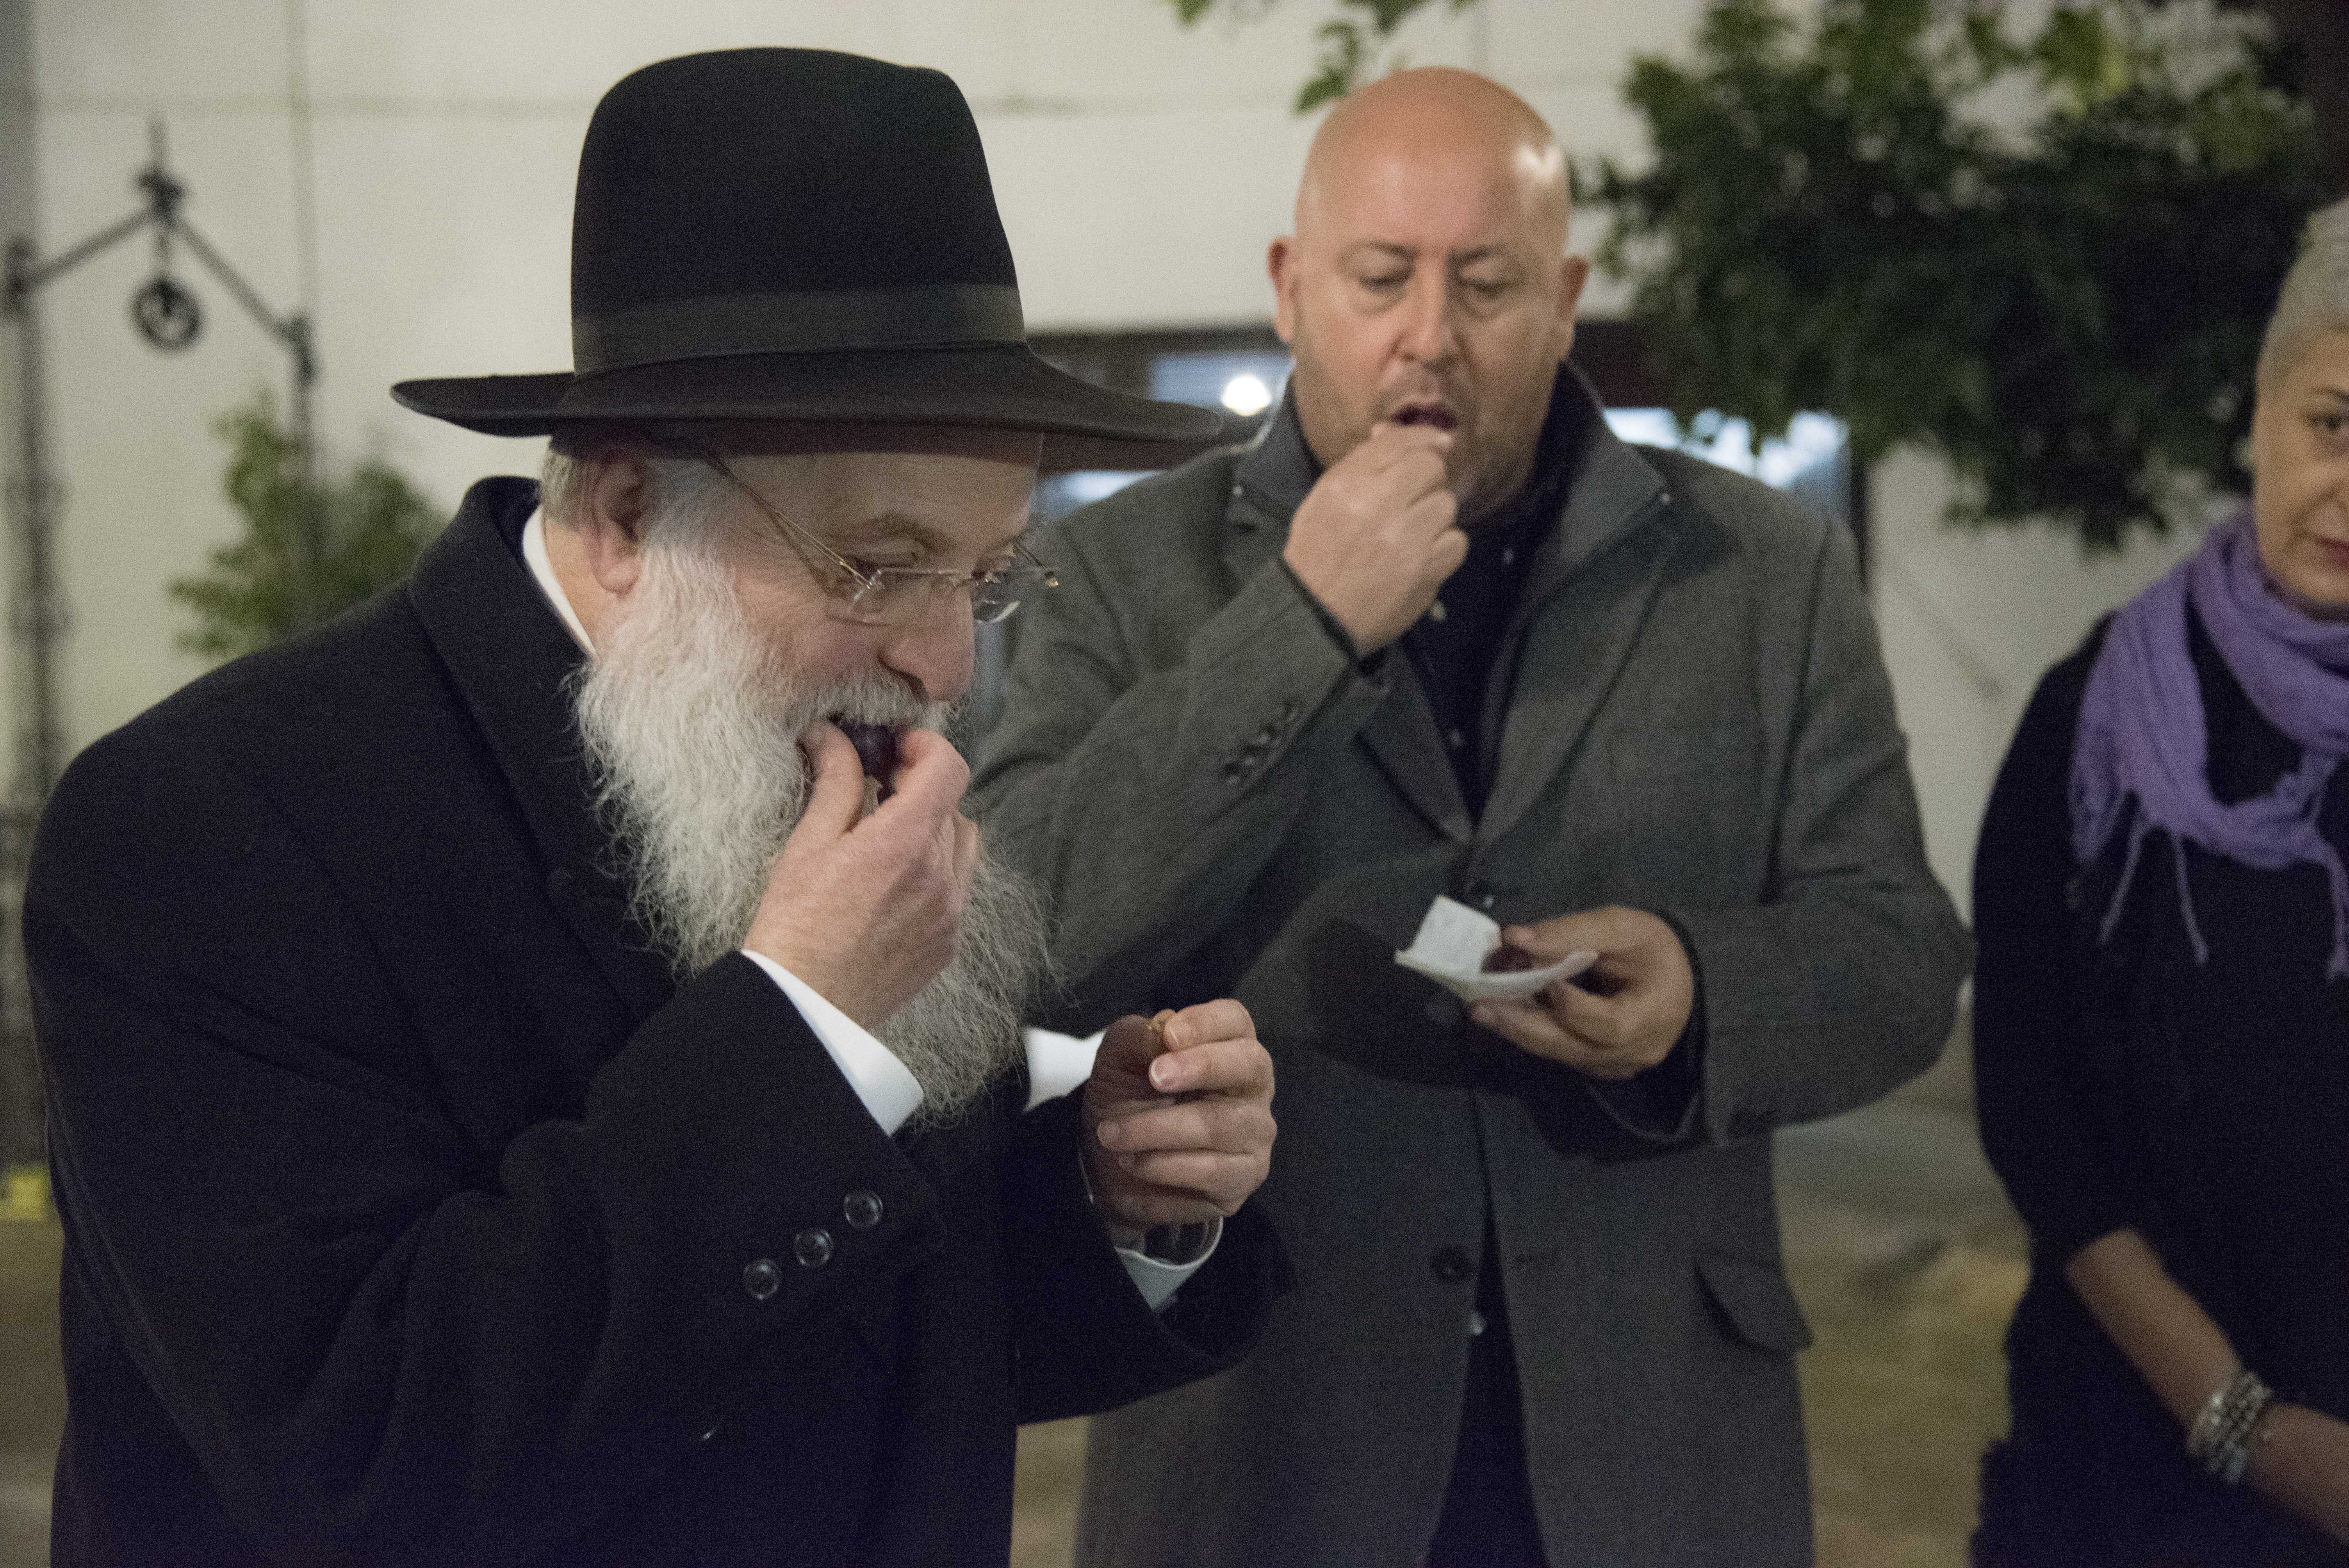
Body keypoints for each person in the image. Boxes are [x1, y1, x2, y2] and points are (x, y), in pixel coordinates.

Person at [30, 49, 1286, 1568]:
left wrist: (1110, 1195)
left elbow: (890, 1349)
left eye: (985, 572)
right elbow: (362, 1460)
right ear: (629, 513)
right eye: (882, 566)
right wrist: (806, 1026)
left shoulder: (824, 753)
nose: (948, 661)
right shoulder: (205, 826)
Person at [971, 65, 1969, 1568]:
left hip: (1655, 1445)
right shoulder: (1117, 573)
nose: (1429, 332)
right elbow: (1017, 944)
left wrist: (1704, 994)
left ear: (1564, 300)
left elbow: (1902, 957)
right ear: (1292, 288)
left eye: (1487, 283)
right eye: (1381, 278)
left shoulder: (1762, 570)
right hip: (1271, 1434)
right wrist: (1304, 625)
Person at [1972, 200, 2349, 1566]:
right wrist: (2247, 1426)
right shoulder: (2106, 718)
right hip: (2138, 1470)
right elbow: (2034, 1100)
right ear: (2262, 409)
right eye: (2334, 424)